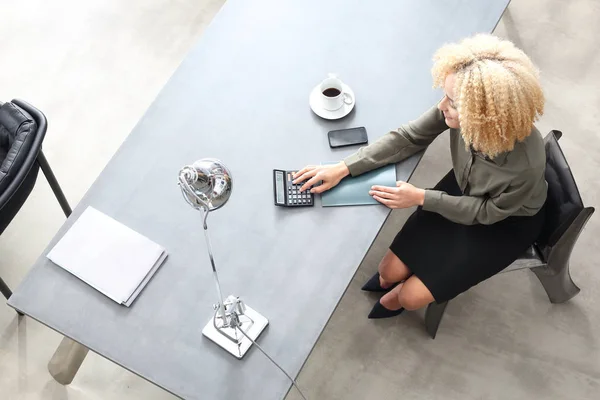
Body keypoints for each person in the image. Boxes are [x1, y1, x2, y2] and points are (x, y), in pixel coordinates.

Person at [293, 34, 547, 319]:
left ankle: (397, 300)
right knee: (388, 271)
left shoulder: (525, 164)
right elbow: (409, 137)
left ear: (485, 115)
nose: (441, 107)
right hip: (463, 191)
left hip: (504, 222)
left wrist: (421, 198)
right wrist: (343, 168)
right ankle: (395, 285)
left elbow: (487, 212)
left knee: (410, 297)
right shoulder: (462, 111)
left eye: (451, 102)